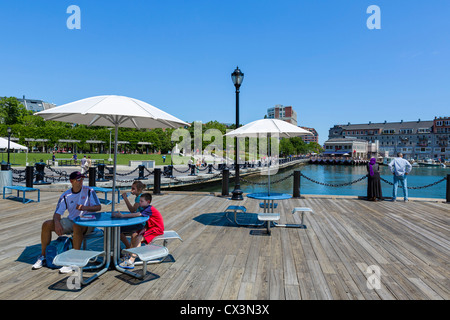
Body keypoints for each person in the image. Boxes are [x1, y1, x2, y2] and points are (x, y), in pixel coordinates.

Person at [32, 171, 102, 273]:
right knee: (46, 225)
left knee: (77, 226)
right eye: (78, 179)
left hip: (88, 222)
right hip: (72, 220)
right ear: (71, 181)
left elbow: (98, 207)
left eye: (82, 179)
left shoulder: (89, 191)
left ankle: (74, 260)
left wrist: (84, 207)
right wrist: (57, 223)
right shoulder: (66, 195)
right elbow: (57, 214)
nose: (81, 181)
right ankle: (43, 256)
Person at [112, 193, 164, 269]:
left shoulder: (149, 209)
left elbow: (136, 214)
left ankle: (131, 261)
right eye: (139, 201)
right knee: (134, 234)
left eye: (141, 201)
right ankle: (131, 253)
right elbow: (150, 221)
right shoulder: (146, 208)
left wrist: (122, 216)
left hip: (157, 229)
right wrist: (144, 229)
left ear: (148, 202)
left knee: (139, 238)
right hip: (150, 227)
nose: (139, 202)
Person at [118, 180, 146, 248]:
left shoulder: (139, 198)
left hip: (141, 224)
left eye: (133, 189)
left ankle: (128, 246)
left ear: (139, 189)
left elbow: (132, 210)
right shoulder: (139, 197)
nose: (131, 190)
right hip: (140, 221)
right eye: (131, 188)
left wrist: (125, 199)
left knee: (118, 230)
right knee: (120, 228)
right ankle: (128, 246)